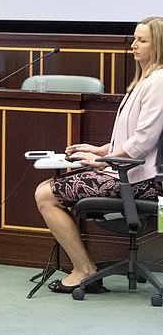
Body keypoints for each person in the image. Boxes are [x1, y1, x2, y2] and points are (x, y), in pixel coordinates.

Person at [34, 16, 163, 293]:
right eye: (134, 39)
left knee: (45, 194)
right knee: (49, 190)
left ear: (159, 45)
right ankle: (84, 267)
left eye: (142, 40)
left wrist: (101, 162)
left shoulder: (158, 83)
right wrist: (100, 150)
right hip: (127, 170)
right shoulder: (146, 80)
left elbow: (142, 143)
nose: (133, 45)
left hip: (140, 180)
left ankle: (83, 269)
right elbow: (131, 137)